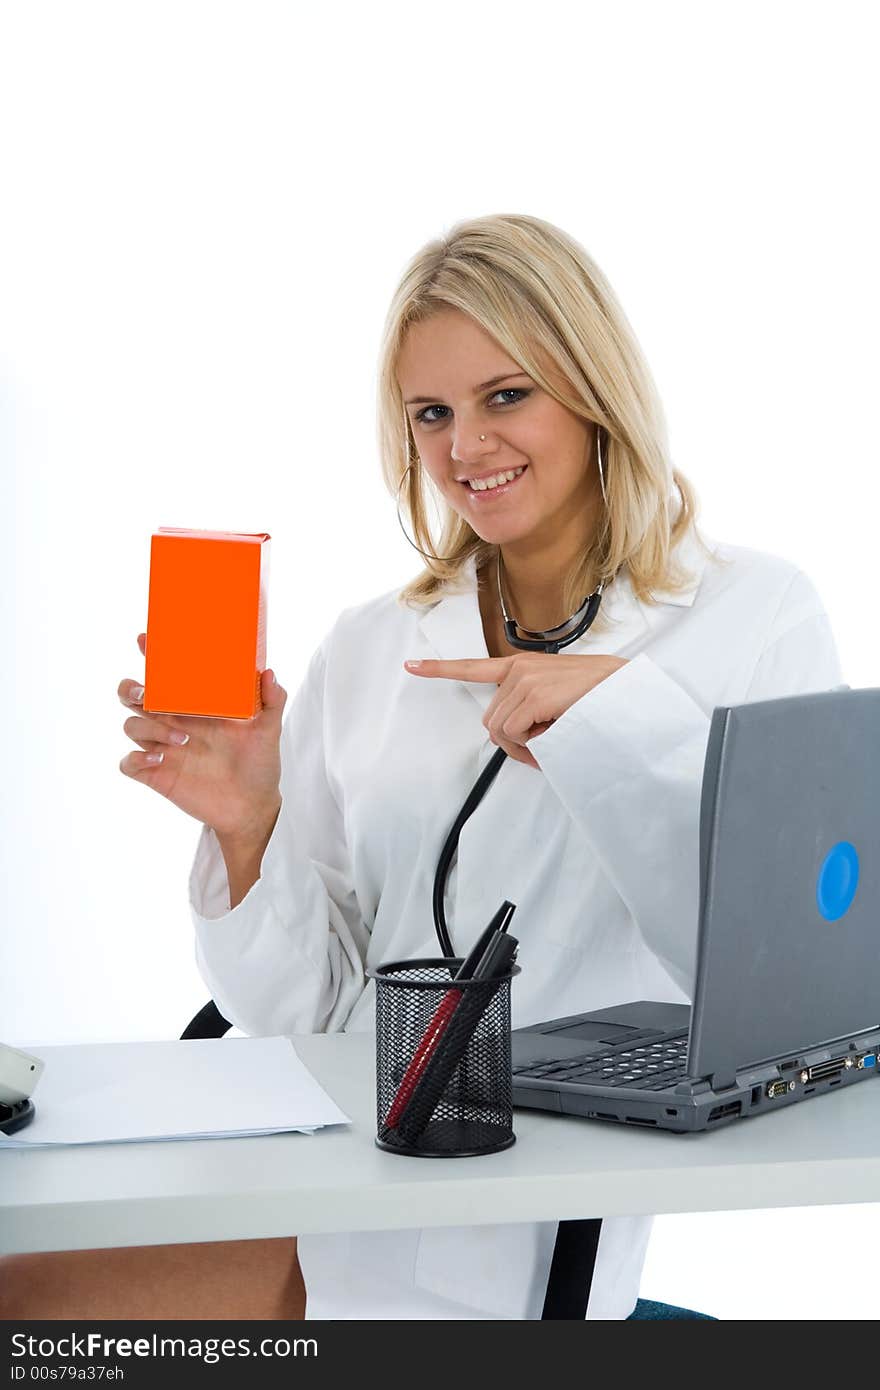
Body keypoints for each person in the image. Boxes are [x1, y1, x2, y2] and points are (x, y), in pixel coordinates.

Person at [0, 213, 844, 1320]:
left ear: (591, 390)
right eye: (430, 414)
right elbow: (313, 1010)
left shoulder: (750, 614)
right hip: (337, 1180)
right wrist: (250, 834)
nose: (465, 449)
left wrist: (611, 715)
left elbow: (785, 986)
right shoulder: (371, 645)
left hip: (534, 1227)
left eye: (506, 397)